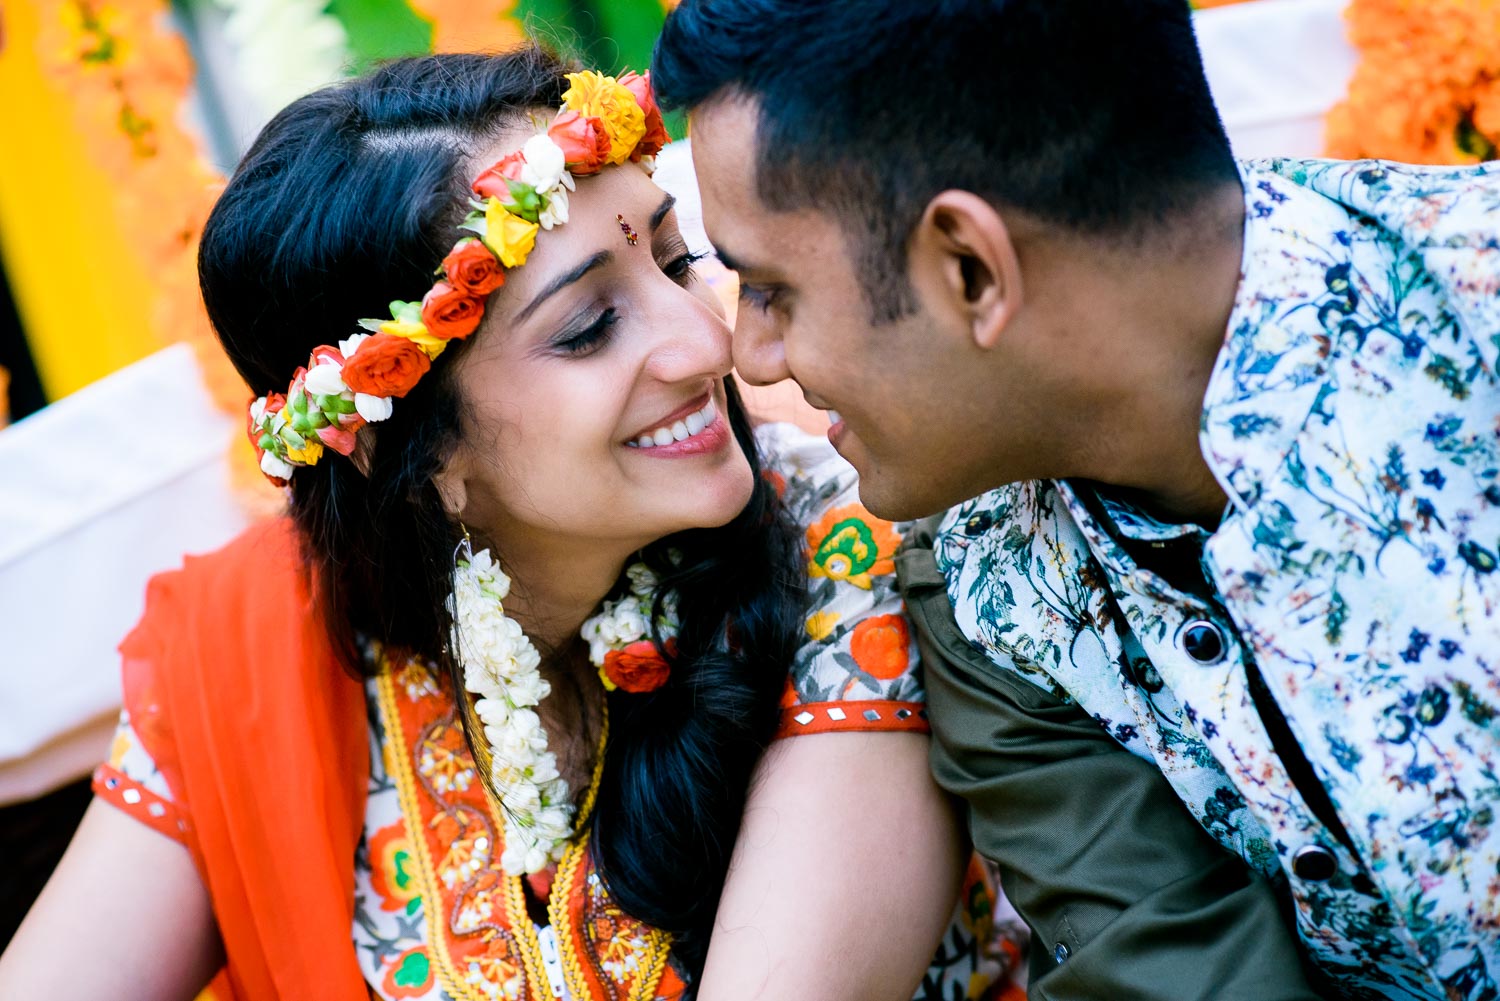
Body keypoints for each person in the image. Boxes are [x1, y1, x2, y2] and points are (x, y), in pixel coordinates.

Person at [0, 49, 1022, 1001]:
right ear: (407, 447)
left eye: (674, 260)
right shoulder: (245, 650)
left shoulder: (847, 556)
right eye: (587, 328)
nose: (707, 339)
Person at [652, 1, 1500, 998]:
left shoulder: (1470, 315)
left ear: (969, 266)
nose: (743, 352)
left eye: (770, 290)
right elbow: (1176, 968)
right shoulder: (981, 580)